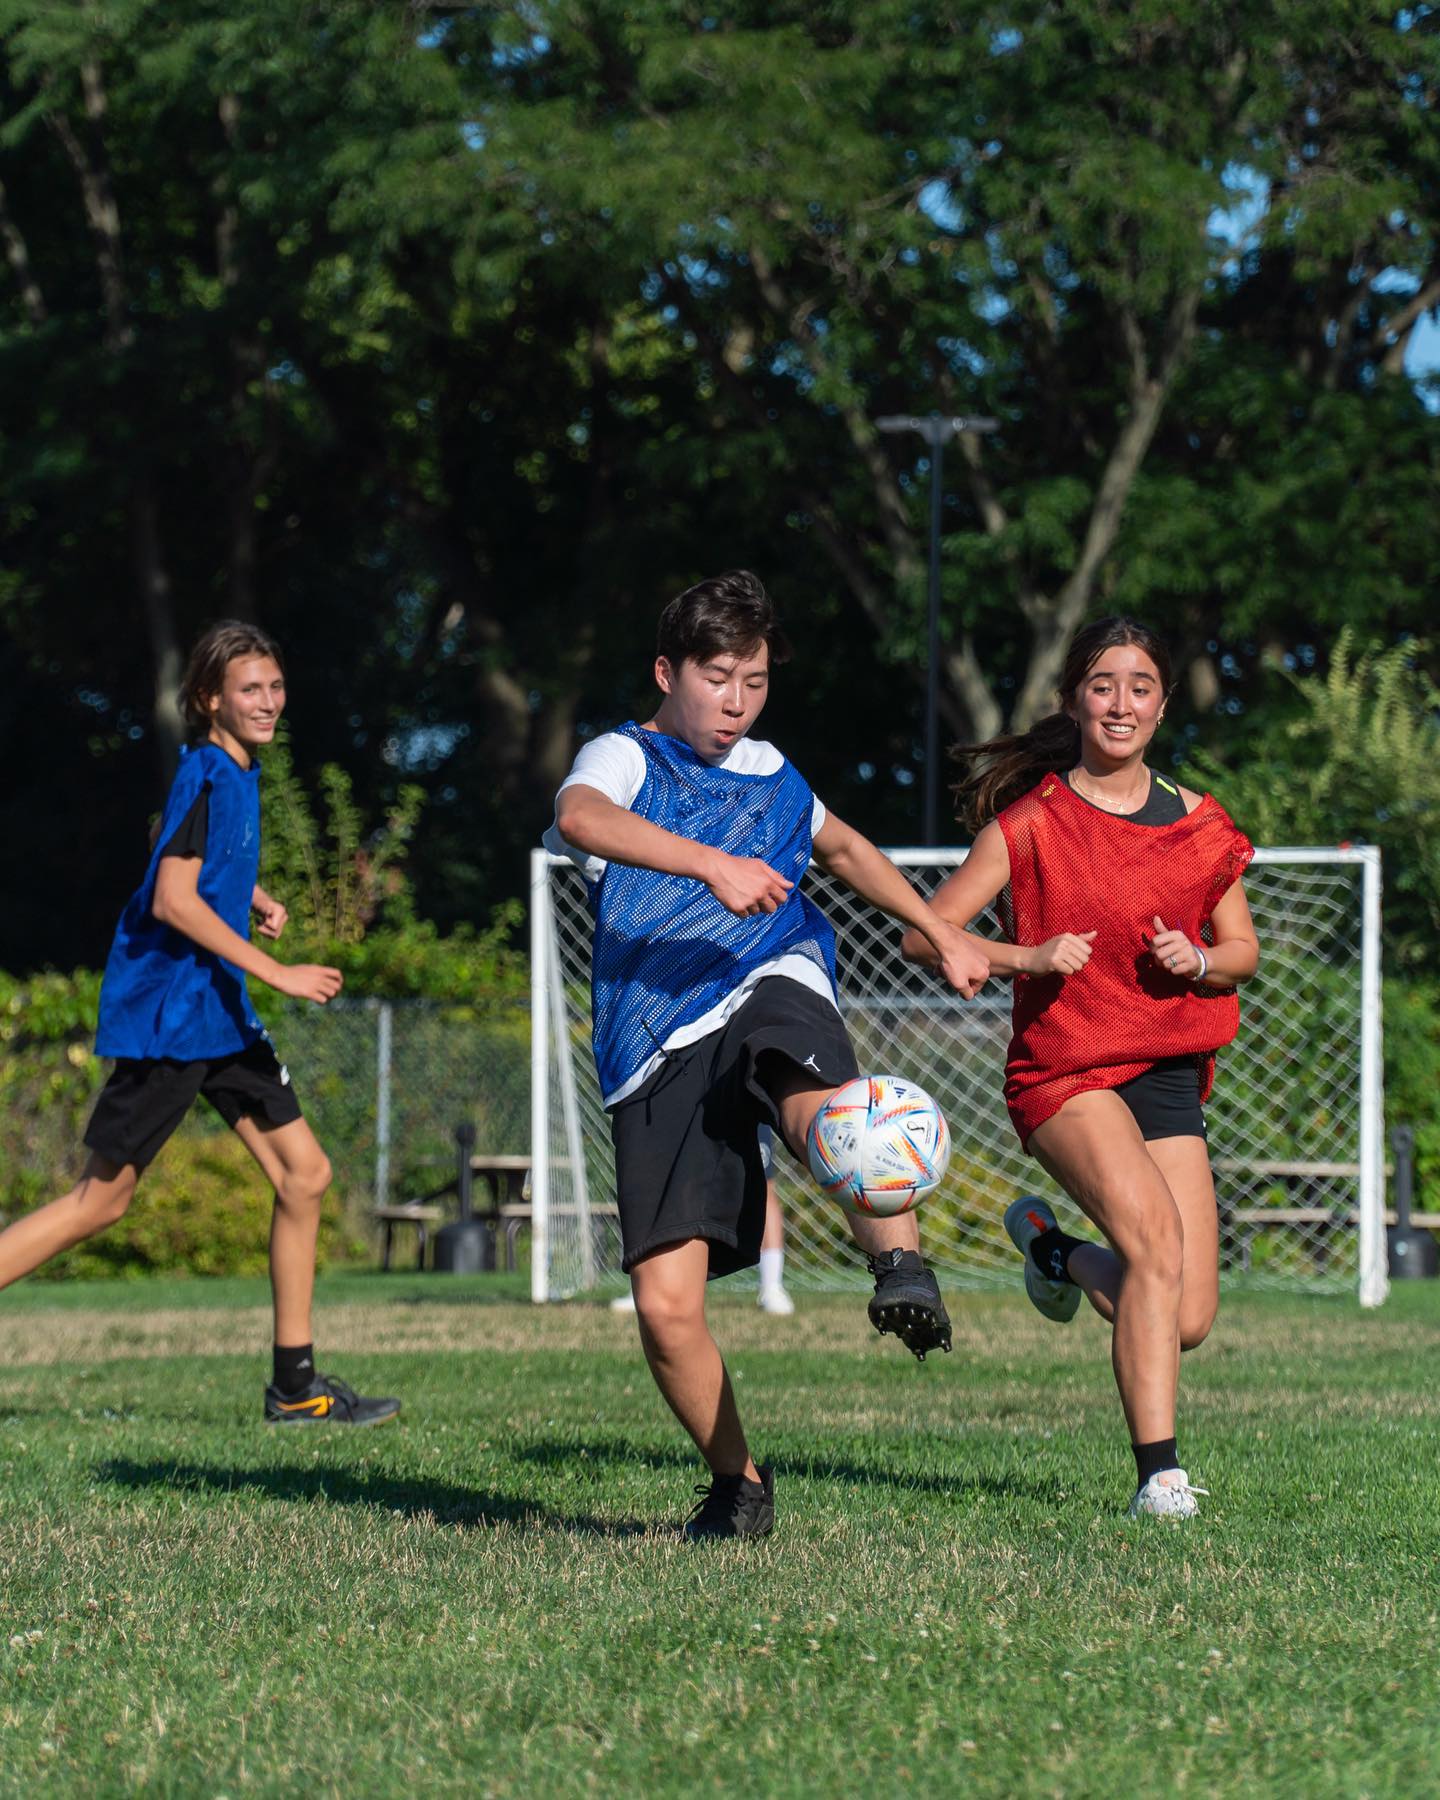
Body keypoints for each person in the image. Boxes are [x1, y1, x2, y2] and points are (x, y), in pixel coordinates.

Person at [546, 570, 989, 1538]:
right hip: (654, 1031)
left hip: (768, 972)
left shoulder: (772, 771)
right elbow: (580, 818)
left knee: (814, 1096)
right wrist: (708, 861)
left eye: (753, 680)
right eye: (717, 678)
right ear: (667, 671)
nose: (737, 701)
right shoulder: (624, 757)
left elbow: (846, 851)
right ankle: (739, 1482)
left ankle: (899, 1266)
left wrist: (940, 928)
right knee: (667, 1310)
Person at [0, 622, 400, 1428]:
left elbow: (175, 854)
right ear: (210, 699)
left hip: (219, 1016)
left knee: (305, 1176)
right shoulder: (211, 773)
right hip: (172, 1021)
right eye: (250, 690)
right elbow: (171, 899)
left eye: (276, 688)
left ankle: (297, 1388)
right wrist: (276, 969)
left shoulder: (231, 773)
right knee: (99, 1205)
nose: (268, 703)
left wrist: (250, 897)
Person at [902, 617, 1257, 1519]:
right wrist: (1026, 956)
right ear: (1074, 700)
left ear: (1163, 703)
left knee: (1186, 1317)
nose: (1121, 703)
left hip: (1168, 1071)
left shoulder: (1202, 823)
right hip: (1068, 1073)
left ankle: (1054, 1251)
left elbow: (1243, 949)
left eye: (1140, 686)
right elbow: (922, 931)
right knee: (1154, 1247)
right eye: (1103, 685)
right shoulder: (1034, 824)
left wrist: (1202, 963)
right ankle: (1159, 1478)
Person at [610, 1123, 793, 1316]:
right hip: (676, 1098)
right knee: (657, 1176)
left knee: (760, 1180)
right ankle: (645, 1283)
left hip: (736, 1095)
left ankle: (772, 1286)